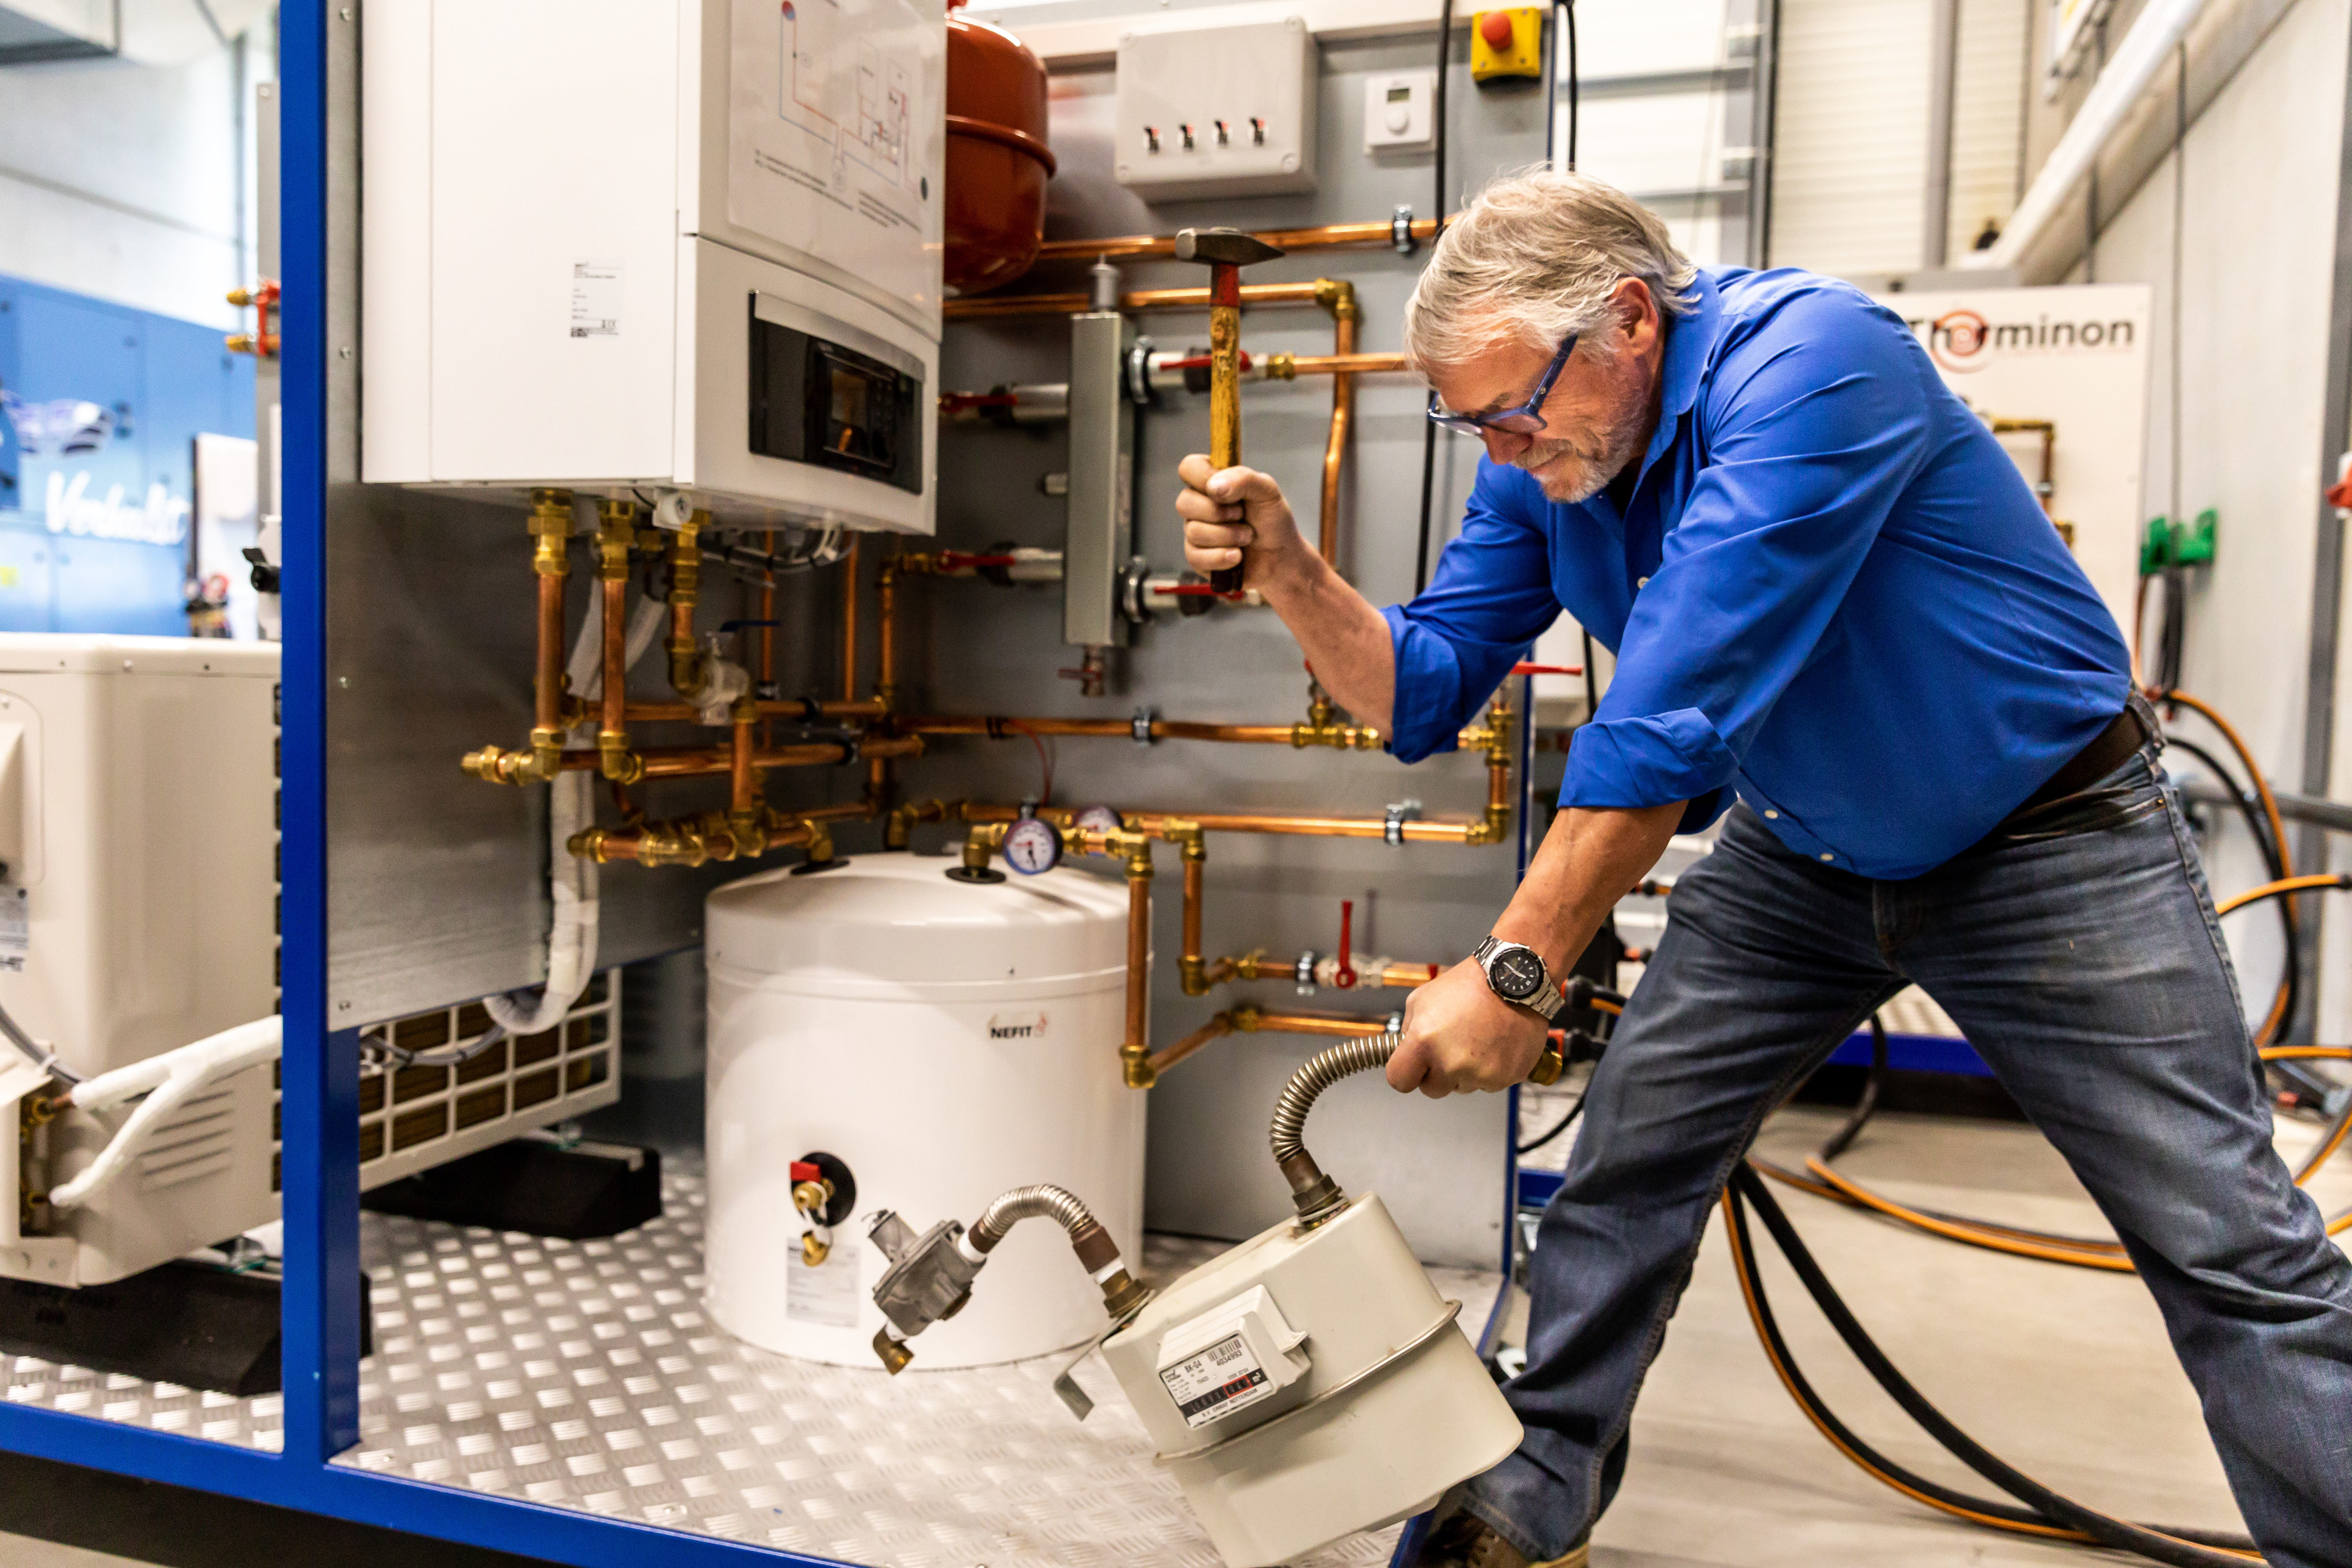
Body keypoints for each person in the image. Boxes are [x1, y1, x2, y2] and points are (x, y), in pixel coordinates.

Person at [1175, 169, 2352, 1568]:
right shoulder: (1554, 461)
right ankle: (1532, 1489)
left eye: (1509, 408)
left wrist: (1516, 962)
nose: (1497, 449)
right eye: (1467, 420)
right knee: (1626, 1169)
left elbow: (1673, 708)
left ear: (1627, 322)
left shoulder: (1812, 367)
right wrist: (1298, 576)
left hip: (2048, 840)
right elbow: (1421, 689)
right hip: (1803, 850)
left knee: (2226, 1244)